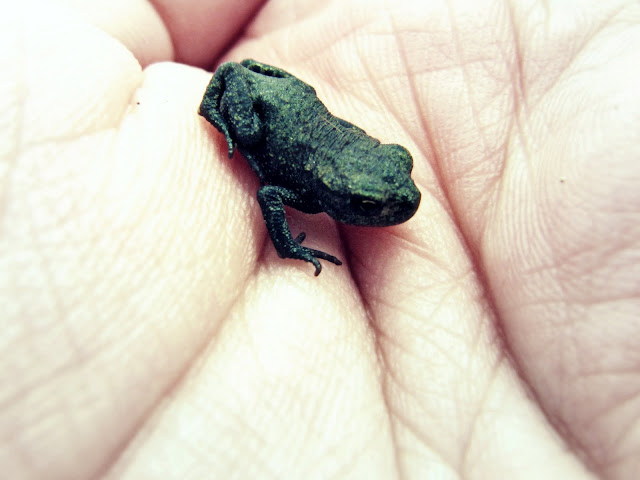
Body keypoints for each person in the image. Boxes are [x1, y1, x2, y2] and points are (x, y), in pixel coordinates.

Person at [2, 1, 638, 478]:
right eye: (370, 204)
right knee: (247, 120)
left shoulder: (341, 176)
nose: (401, 203)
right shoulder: (310, 192)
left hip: (300, 108)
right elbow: (269, 195)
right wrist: (288, 243)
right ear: (338, 197)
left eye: (392, 182)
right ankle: (226, 115)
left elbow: (351, 168)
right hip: (265, 102)